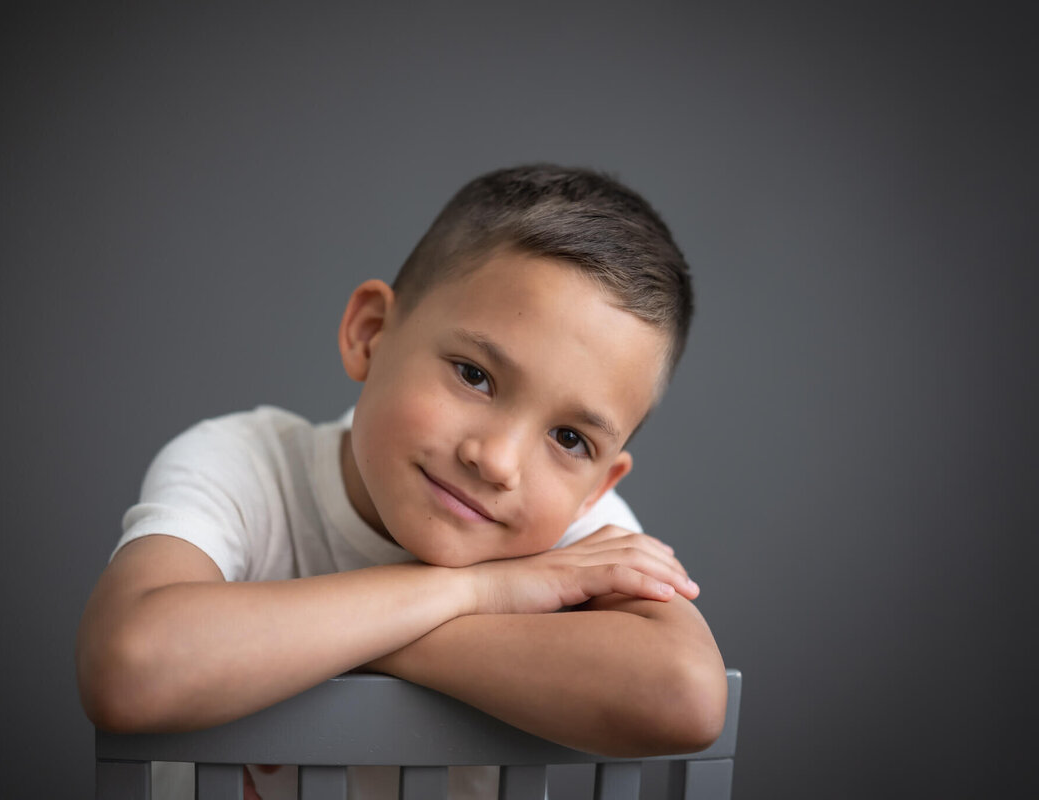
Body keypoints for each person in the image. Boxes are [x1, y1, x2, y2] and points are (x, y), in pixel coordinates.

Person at [76, 163, 727, 800]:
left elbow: (686, 698)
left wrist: (351, 635)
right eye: (474, 375)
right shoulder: (244, 465)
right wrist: (478, 589)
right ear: (371, 333)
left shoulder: (585, 536)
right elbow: (131, 666)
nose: (497, 461)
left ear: (596, 485)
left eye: (569, 439)